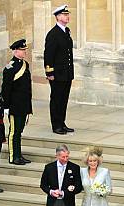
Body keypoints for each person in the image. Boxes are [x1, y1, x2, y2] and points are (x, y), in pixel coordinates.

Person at [44, 4, 75, 135]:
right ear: (57, 17)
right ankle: (56, 125)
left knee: (63, 99)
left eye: (67, 15)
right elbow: (48, 55)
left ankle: (62, 122)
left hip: (66, 73)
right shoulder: (53, 34)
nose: (67, 17)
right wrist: (49, 72)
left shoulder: (66, 32)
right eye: (64, 15)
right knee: (56, 99)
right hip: (57, 74)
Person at [2, 38, 32, 165]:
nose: (25, 52)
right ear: (15, 51)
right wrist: (6, 106)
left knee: (19, 131)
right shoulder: (10, 68)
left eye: (25, 49)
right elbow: (6, 88)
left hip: (23, 104)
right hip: (14, 105)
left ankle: (19, 154)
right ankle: (13, 156)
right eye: (22, 50)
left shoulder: (25, 64)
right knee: (14, 132)